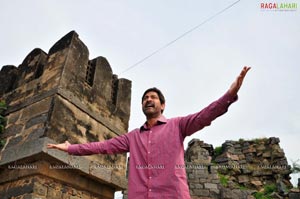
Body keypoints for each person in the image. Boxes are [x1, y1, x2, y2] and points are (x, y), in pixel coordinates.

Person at [47, 66, 251, 199]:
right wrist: (70, 148)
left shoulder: (178, 125)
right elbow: (102, 146)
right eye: (145, 98)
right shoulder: (133, 137)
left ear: (162, 105)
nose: (148, 99)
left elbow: (204, 116)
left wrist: (230, 95)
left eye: (153, 97)